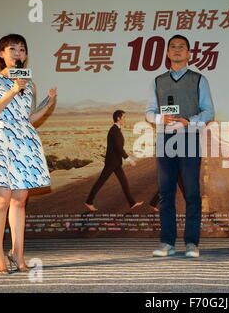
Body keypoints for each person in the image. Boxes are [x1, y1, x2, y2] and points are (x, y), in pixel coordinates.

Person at [0, 34, 57, 274]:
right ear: (1, 53)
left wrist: (47, 105)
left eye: (22, 49)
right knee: (2, 200)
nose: (18, 53)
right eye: (12, 48)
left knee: (19, 201)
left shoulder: (31, 83)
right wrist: (14, 90)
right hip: (1, 141)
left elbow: (29, 118)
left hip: (24, 142)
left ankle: (18, 253)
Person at [145, 34, 214, 258]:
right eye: (172, 47)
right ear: (167, 53)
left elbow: (209, 111)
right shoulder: (158, 81)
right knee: (166, 193)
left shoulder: (199, 79)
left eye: (181, 47)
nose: (176, 50)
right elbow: (149, 111)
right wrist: (158, 120)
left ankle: (192, 243)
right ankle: (167, 243)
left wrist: (189, 121)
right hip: (165, 140)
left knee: (192, 193)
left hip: (189, 138)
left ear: (189, 54)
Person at [84, 110, 143, 211]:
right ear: (118, 118)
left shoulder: (117, 130)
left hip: (116, 163)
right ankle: (89, 201)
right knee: (101, 181)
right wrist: (129, 159)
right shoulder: (114, 130)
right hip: (111, 163)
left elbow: (118, 147)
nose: (125, 119)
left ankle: (131, 202)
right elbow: (118, 148)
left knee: (124, 181)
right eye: (124, 117)